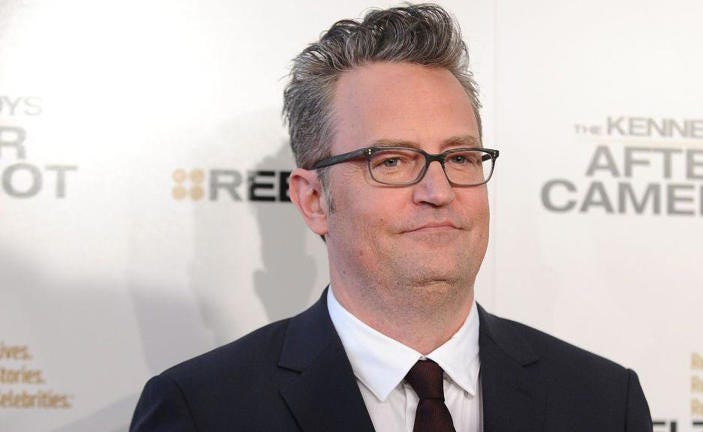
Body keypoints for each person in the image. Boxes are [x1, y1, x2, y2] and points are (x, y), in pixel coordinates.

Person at [130, 4, 652, 431]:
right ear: (313, 200)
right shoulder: (203, 410)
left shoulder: (605, 402)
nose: (438, 191)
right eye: (392, 162)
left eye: (460, 158)